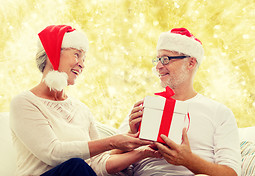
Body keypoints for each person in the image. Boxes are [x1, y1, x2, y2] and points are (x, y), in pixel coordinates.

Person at [10, 25, 161, 176]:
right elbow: (53, 154)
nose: (82, 64)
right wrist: (112, 142)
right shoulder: (24, 103)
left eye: (84, 58)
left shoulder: (81, 109)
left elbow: (97, 164)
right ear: (53, 53)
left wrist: (143, 152)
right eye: (77, 54)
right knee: (76, 165)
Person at [118, 27, 241, 176]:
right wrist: (132, 133)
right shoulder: (144, 107)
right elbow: (108, 159)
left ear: (190, 63)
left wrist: (188, 160)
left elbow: (232, 173)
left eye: (165, 59)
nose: (158, 67)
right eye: (157, 60)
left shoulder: (219, 113)